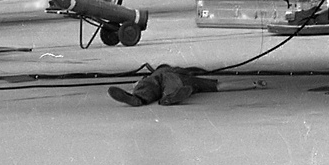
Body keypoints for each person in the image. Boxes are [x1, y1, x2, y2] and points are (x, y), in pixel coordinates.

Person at [107, 64, 262, 106]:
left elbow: (139, 83)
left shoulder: (153, 75)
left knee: (145, 89)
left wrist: (135, 88)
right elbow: (221, 85)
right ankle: (169, 97)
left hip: (152, 82)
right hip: (180, 80)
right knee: (177, 86)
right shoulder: (184, 73)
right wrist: (252, 83)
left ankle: (138, 99)